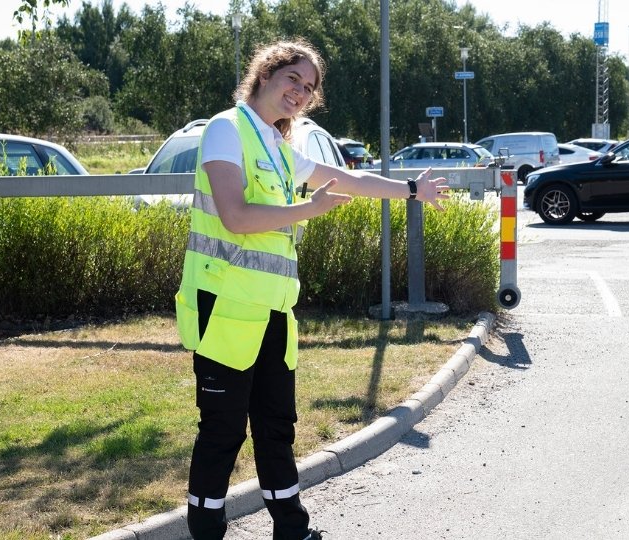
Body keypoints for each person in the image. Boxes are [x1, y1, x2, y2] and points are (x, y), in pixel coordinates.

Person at [175, 38, 449, 540]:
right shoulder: (226, 130)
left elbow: (347, 178)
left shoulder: (279, 147)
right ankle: (207, 532)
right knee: (222, 432)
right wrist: (308, 209)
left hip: (274, 313)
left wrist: (411, 190)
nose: (299, 93)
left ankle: (292, 531)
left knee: (277, 427)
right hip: (225, 311)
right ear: (264, 75)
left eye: (309, 87)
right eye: (292, 80)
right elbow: (235, 217)